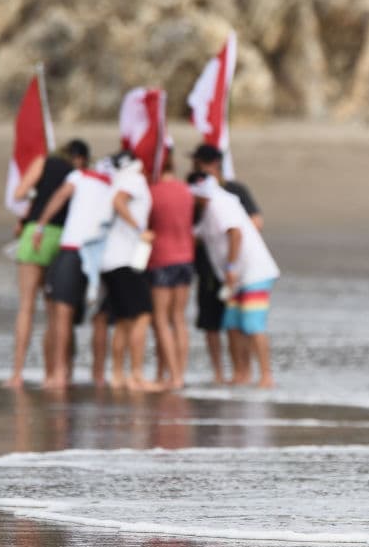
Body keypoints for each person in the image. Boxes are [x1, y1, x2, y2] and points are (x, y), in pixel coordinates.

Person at [190, 146, 279, 389]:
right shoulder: (208, 209)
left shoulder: (220, 203)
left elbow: (236, 233)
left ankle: (266, 376)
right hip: (235, 278)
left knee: (252, 325)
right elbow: (194, 237)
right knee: (232, 324)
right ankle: (242, 374)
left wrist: (230, 266)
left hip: (253, 273)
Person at [6, 139, 89, 388]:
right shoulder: (79, 175)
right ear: (82, 158)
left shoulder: (43, 162)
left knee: (26, 307)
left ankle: (17, 374)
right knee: (56, 312)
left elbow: (18, 193)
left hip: (36, 234)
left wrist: (36, 196)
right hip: (63, 238)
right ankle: (54, 373)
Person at [32, 156, 114, 388]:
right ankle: (98, 375)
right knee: (100, 317)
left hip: (73, 248)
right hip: (101, 252)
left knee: (61, 312)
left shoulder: (80, 176)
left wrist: (41, 225)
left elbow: (60, 196)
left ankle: (59, 373)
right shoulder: (115, 184)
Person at [99, 151, 157, 390]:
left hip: (110, 260)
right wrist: (140, 228)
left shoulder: (116, 180)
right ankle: (135, 375)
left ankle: (117, 375)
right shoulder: (134, 180)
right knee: (142, 315)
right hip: (125, 260)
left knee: (123, 320)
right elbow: (119, 202)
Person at [146, 151, 195, 388]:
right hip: (186, 257)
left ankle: (171, 376)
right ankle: (178, 374)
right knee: (178, 318)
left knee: (161, 319)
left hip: (161, 258)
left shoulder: (152, 192)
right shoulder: (186, 190)